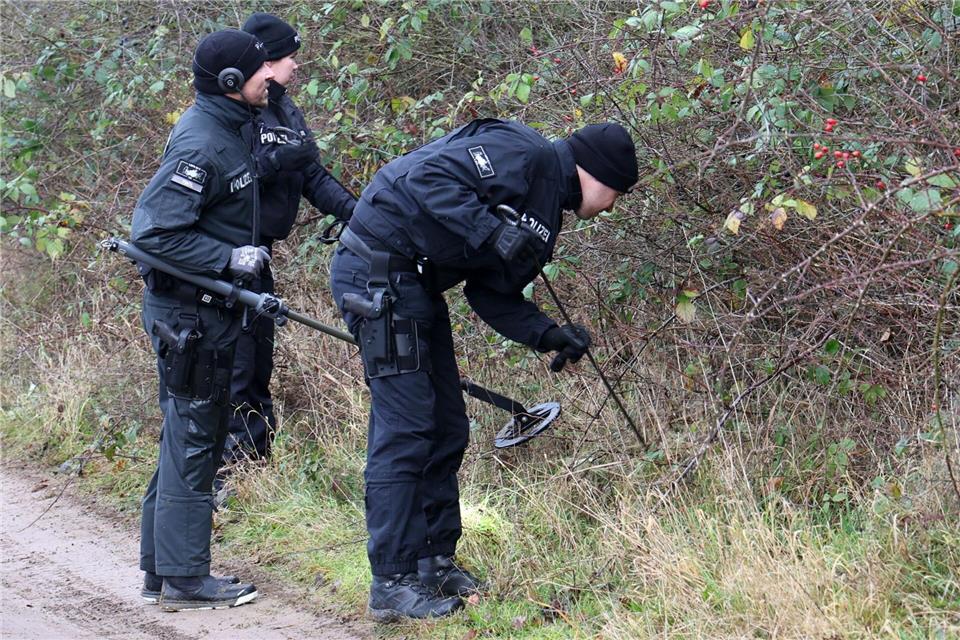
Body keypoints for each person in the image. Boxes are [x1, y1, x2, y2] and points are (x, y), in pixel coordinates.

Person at [329, 119, 637, 621]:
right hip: (376, 270)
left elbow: (489, 291)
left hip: (416, 288)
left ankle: (434, 562)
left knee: (447, 424)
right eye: (616, 193)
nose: (611, 207)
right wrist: (491, 230)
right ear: (594, 173)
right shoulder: (521, 150)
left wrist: (547, 333)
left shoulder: (547, 216)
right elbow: (426, 179)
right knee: (406, 427)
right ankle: (393, 578)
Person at [130, 28, 275, 611]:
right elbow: (154, 232)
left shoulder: (227, 128)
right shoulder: (202, 143)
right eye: (262, 70)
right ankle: (187, 580)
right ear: (233, 82)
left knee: (183, 436)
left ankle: (159, 570)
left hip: (207, 314)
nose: (272, 77)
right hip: (191, 318)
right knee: (195, 440)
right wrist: (226, 258)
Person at [216, 13, 357, 467]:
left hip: (261, 256)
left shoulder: (286, 107)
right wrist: (276, 160)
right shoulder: (233, 110)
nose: (297, 67)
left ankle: (255, 464)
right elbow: (228, 175)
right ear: (266, 61)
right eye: (290, 58)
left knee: (258, 359)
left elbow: (311, 173)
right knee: (235, 364)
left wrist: (360, 215)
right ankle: (231, 470)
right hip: (226, 253)